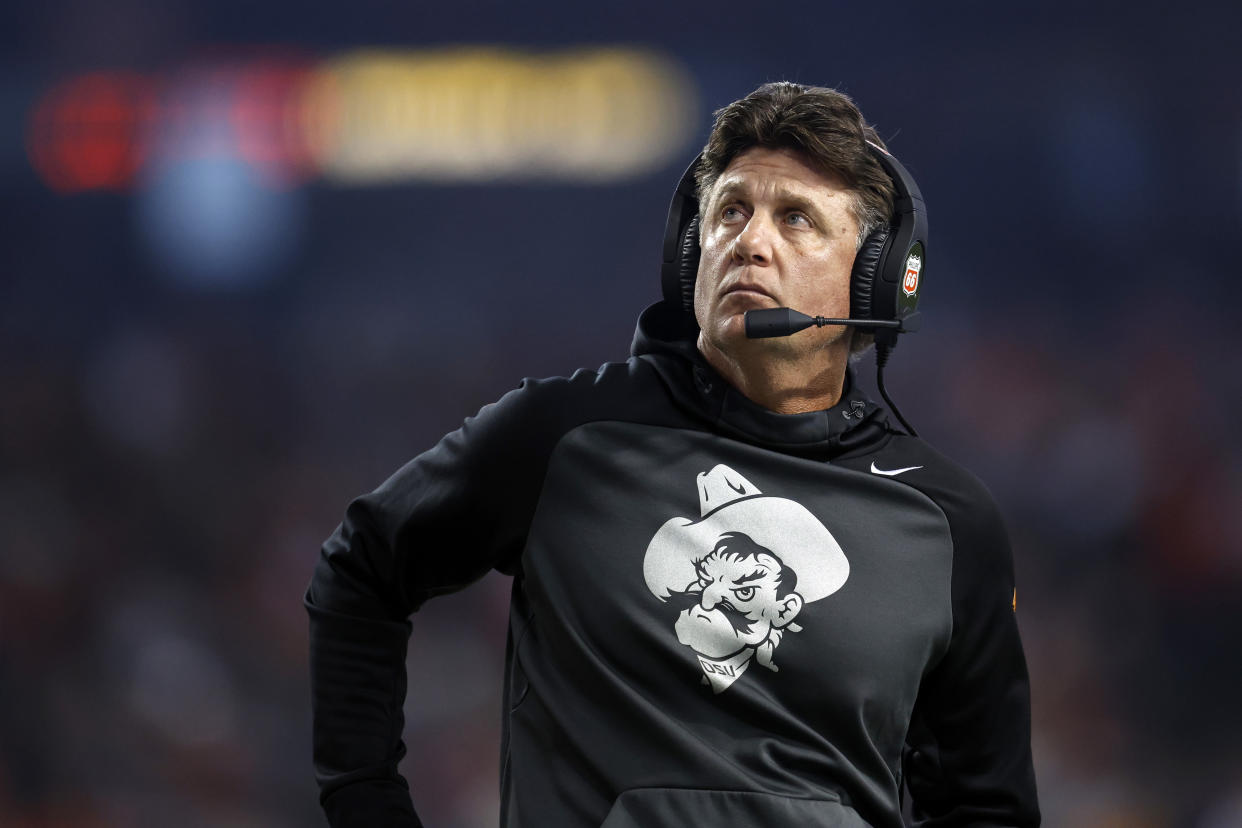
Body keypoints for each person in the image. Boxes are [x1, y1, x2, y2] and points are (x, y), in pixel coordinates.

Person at [306, 81, 1040, 827]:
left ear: (879, 276)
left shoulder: (948, 523)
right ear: (692, 252)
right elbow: (360, 569)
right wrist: (364, 802)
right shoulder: (565, 437)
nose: (750, 242)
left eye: (796, 219)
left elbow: (985, 808)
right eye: (730, 211)